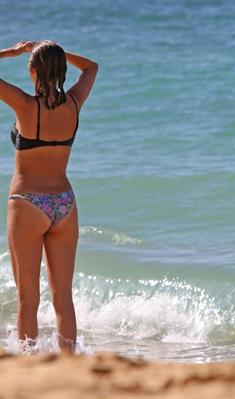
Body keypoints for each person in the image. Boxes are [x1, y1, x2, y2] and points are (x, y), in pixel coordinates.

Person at [0, 40, 98, 351]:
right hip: (64, 204)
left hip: (28, 202)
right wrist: (59, 54)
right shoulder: (74, 104)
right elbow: (92, 67)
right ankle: (68, 361)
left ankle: (30, 363)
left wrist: (10, 52)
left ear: (32, 71)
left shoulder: (26, 106)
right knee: (63, 297)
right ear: (60, 70)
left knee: (29, 300)